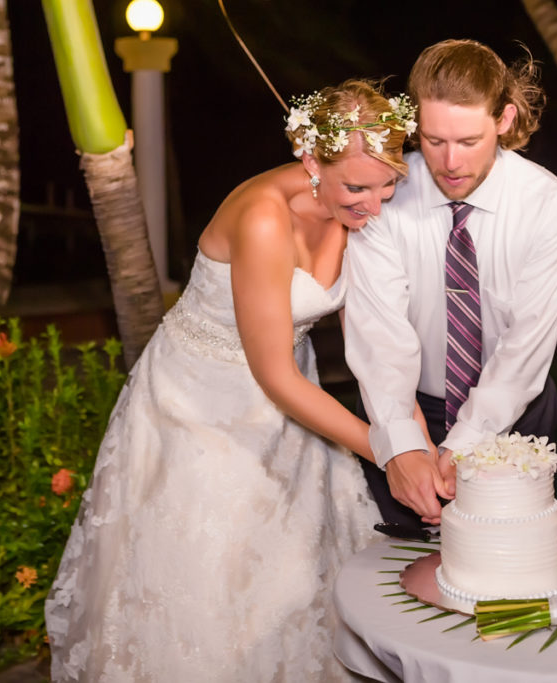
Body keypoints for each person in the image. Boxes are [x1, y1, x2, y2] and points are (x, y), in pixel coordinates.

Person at [44, 80, 416, 682]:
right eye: (357, 187)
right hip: (199, 405)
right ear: (309, 158)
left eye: (387, 184)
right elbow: (272, 375)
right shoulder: (264, 218)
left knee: (294, 573)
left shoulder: (356, 205)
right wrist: (386, 448)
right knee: (214, 575)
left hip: (295, 396)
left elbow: (372, 343)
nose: (374, 205)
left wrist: (409, 427)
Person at [344, 40, 557, 529]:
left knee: (504, 560)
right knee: (399, 566)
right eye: (433, 140)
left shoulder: (547, 205)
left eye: (468, 141)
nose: (450, 161)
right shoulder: (383, 195)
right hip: (409, 408)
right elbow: (378, 333)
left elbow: (526, 345)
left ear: (505, 120)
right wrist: (402, 445)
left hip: (516, 410)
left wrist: (467, 443)